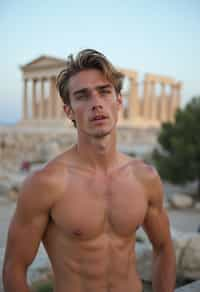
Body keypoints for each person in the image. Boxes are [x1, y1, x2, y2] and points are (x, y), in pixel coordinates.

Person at [3, 49, 176, 292]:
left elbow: (164, 248)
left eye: (104, 92)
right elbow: (14, 267)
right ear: (69, 111)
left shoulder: (144, 177)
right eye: (82, 96)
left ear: (118, 102)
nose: (96, 103)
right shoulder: (46, 183)